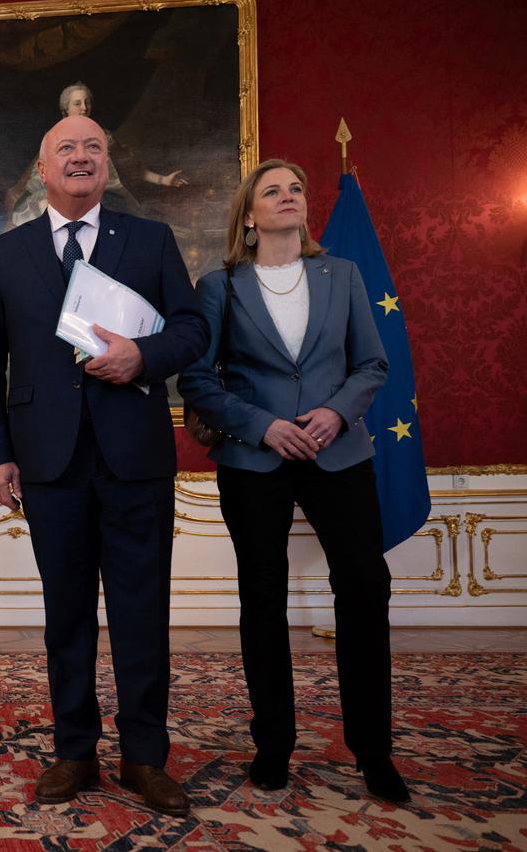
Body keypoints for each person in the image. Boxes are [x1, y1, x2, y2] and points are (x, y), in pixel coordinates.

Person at [0, 115, 208, 812]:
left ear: (108, 166)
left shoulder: (150, 239)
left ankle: (144, 756)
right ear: (43, 170)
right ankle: (74, 751)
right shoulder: (4, 253)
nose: (81, 157)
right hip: (48, 461)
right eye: (66, 148)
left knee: (142, 611)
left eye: (93, 148)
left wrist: (144, 355)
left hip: (135, 455)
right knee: (65, 613)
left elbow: (193, 329)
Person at [177, 160, 409, 803]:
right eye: (271, 191)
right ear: (249, 216)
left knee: (365, 588)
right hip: (256, 460)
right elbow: (197, 381)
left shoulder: (344, 274)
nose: (288, 197)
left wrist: (336, 412)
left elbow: (372, 363)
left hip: (340, 453)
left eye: (296, 189)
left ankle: (373, 751)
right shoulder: (219, 285)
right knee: (263, 597)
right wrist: (263, 426)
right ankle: (273, 744)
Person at [5, 82, 188, 228]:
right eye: (77, 103)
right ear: (66, 108)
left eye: (87, 102)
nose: (84, 107)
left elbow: (132, 169)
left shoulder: (104, 137)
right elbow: (41, 180)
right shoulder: (54, 139)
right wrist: (46, 203)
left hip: (106, 201)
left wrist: (164, 180)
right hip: (63, 204)